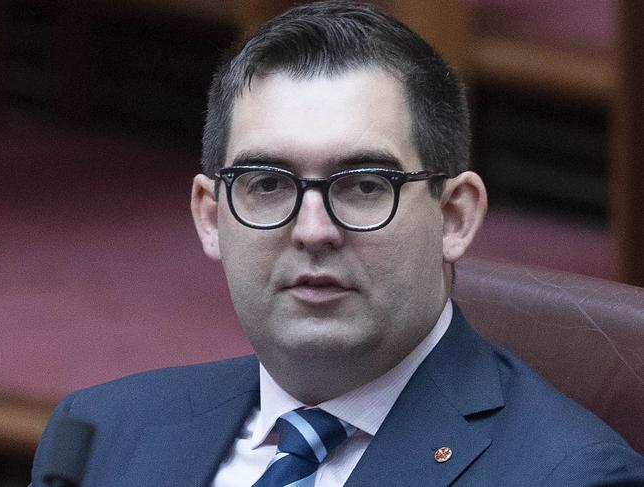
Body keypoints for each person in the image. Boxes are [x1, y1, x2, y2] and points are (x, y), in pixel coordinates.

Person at [31, 1, 644, 486]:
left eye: (364, 186)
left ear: (455, 216)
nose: (314, 230)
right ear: (210, 217)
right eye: (267, 184)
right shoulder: (100, 436)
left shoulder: (566, 475)